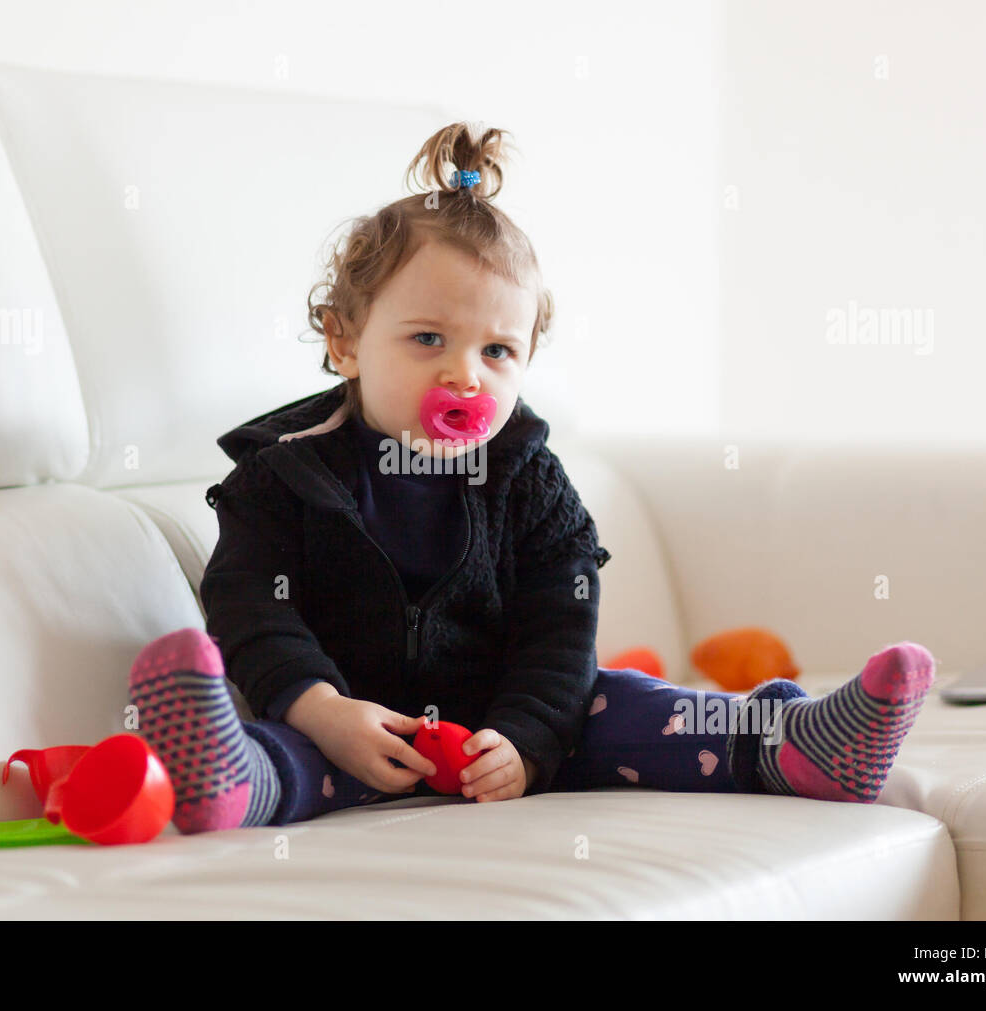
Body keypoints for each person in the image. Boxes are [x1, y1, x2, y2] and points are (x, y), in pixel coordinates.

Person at [127, 122, 935, 832]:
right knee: (297, 758)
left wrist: (527, 737)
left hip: (512, 725)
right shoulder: (282, 476)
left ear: (527, 360)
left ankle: (799, 746)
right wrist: (322, 708)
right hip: (359, 729)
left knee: (631, 703)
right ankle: (230, 781)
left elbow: (561, 625)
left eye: (496, 351)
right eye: (427, 339)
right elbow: (249, 609)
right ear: (345, 342)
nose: (466, 376)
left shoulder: (530, 480)